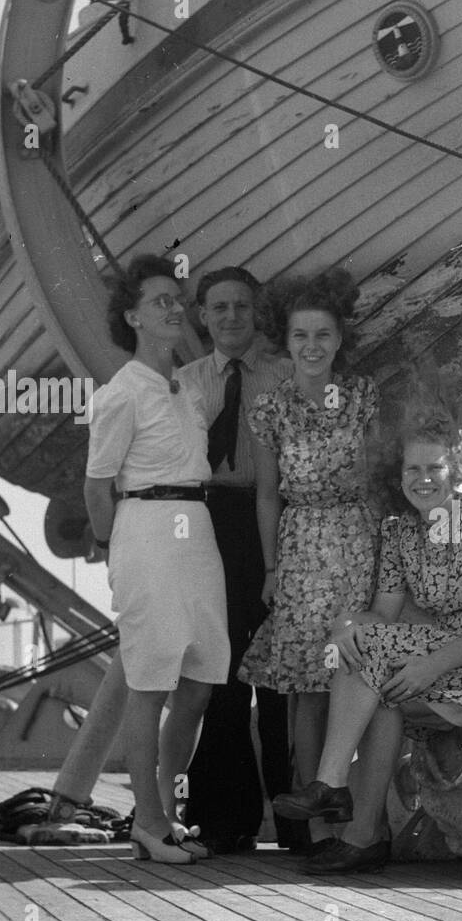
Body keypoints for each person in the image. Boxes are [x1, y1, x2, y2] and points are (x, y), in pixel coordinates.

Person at [273, 412, 462, 874]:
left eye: (433, 467)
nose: (423, 479)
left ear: (455, 469)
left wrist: (430, 666)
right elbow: (384, 615)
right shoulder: (399, 532)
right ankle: (359, 830)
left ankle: (337, 795)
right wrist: (345, 624)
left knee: (376, 662)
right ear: (399, 477)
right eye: (412, 469)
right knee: (366, 662)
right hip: (443, 649)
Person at [83, 254, 229, 864]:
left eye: (178, 299)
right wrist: (114, 549)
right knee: (148, 682)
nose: (175, 308)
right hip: (144, 528)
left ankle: (165, 809)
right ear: (133, 316)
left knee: (199, 679)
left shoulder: (189, 385)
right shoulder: (121, 394)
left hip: (197, 530)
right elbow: (97, 486)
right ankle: (146, 820)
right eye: (161, 300)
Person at [238, 268, 380, 853]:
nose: (312, 347)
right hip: (299, 546)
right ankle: (314, 827)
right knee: (306, 685)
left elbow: (375, 480)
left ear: (340, 338)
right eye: (301, 337)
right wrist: (272, 569)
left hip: (356, 540)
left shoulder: (364, 395)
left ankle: (362, 819)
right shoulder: (271, 408)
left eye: (323, 335)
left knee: (353, 672)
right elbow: (267, 493)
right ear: (286, 341)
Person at [176, 266, 294, 852]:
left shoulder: (287, 375)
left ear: (257, 311)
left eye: (241, 307)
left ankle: (296, 819)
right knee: (221, 670)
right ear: (202, 315)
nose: (229, 318)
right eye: (218, 308)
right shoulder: (184, 383)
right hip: (208, 521)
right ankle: (224, 819)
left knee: (278, 671)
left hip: (273, 521)